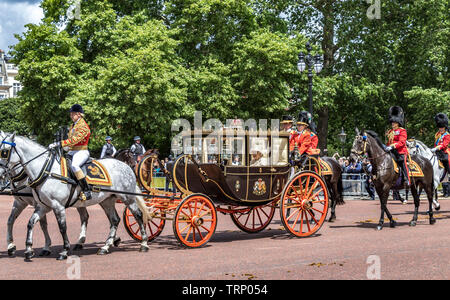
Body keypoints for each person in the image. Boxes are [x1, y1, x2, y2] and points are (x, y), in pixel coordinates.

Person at [49, 104, 92, 200]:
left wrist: (60, 143)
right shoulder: (73, 125)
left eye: (73, 114)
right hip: (72, 151)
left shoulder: (83, 126)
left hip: (81, 151)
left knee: (74, 166)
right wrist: (66, 148)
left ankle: (86, 190)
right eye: (71, 114)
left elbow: (75, 140)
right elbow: (71, 140)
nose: (71, 116)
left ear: (79, 114)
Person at [385, 106, 409, 186]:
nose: (392, 124)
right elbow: (389, 142)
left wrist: (392, 146)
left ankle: (406, 178)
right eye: (392, 122)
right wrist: (387, 147)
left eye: (394, 122)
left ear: (398, 122)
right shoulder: (390, 131)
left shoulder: (402, 131)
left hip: (400, 151)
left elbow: (402, 142)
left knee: (402, 162)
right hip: (391, 151)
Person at [431, 113, 450, 180]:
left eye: (442, 127)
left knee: (446, 159)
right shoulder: (437, 134)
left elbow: (445, 144)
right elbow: (436, 143)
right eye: (440, 127)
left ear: (445, 127)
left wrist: (437, 148)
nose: (441, 129)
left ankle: (449, 173)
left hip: (444, 151)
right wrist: (434, 148)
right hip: (437, 150)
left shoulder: (447, 135)